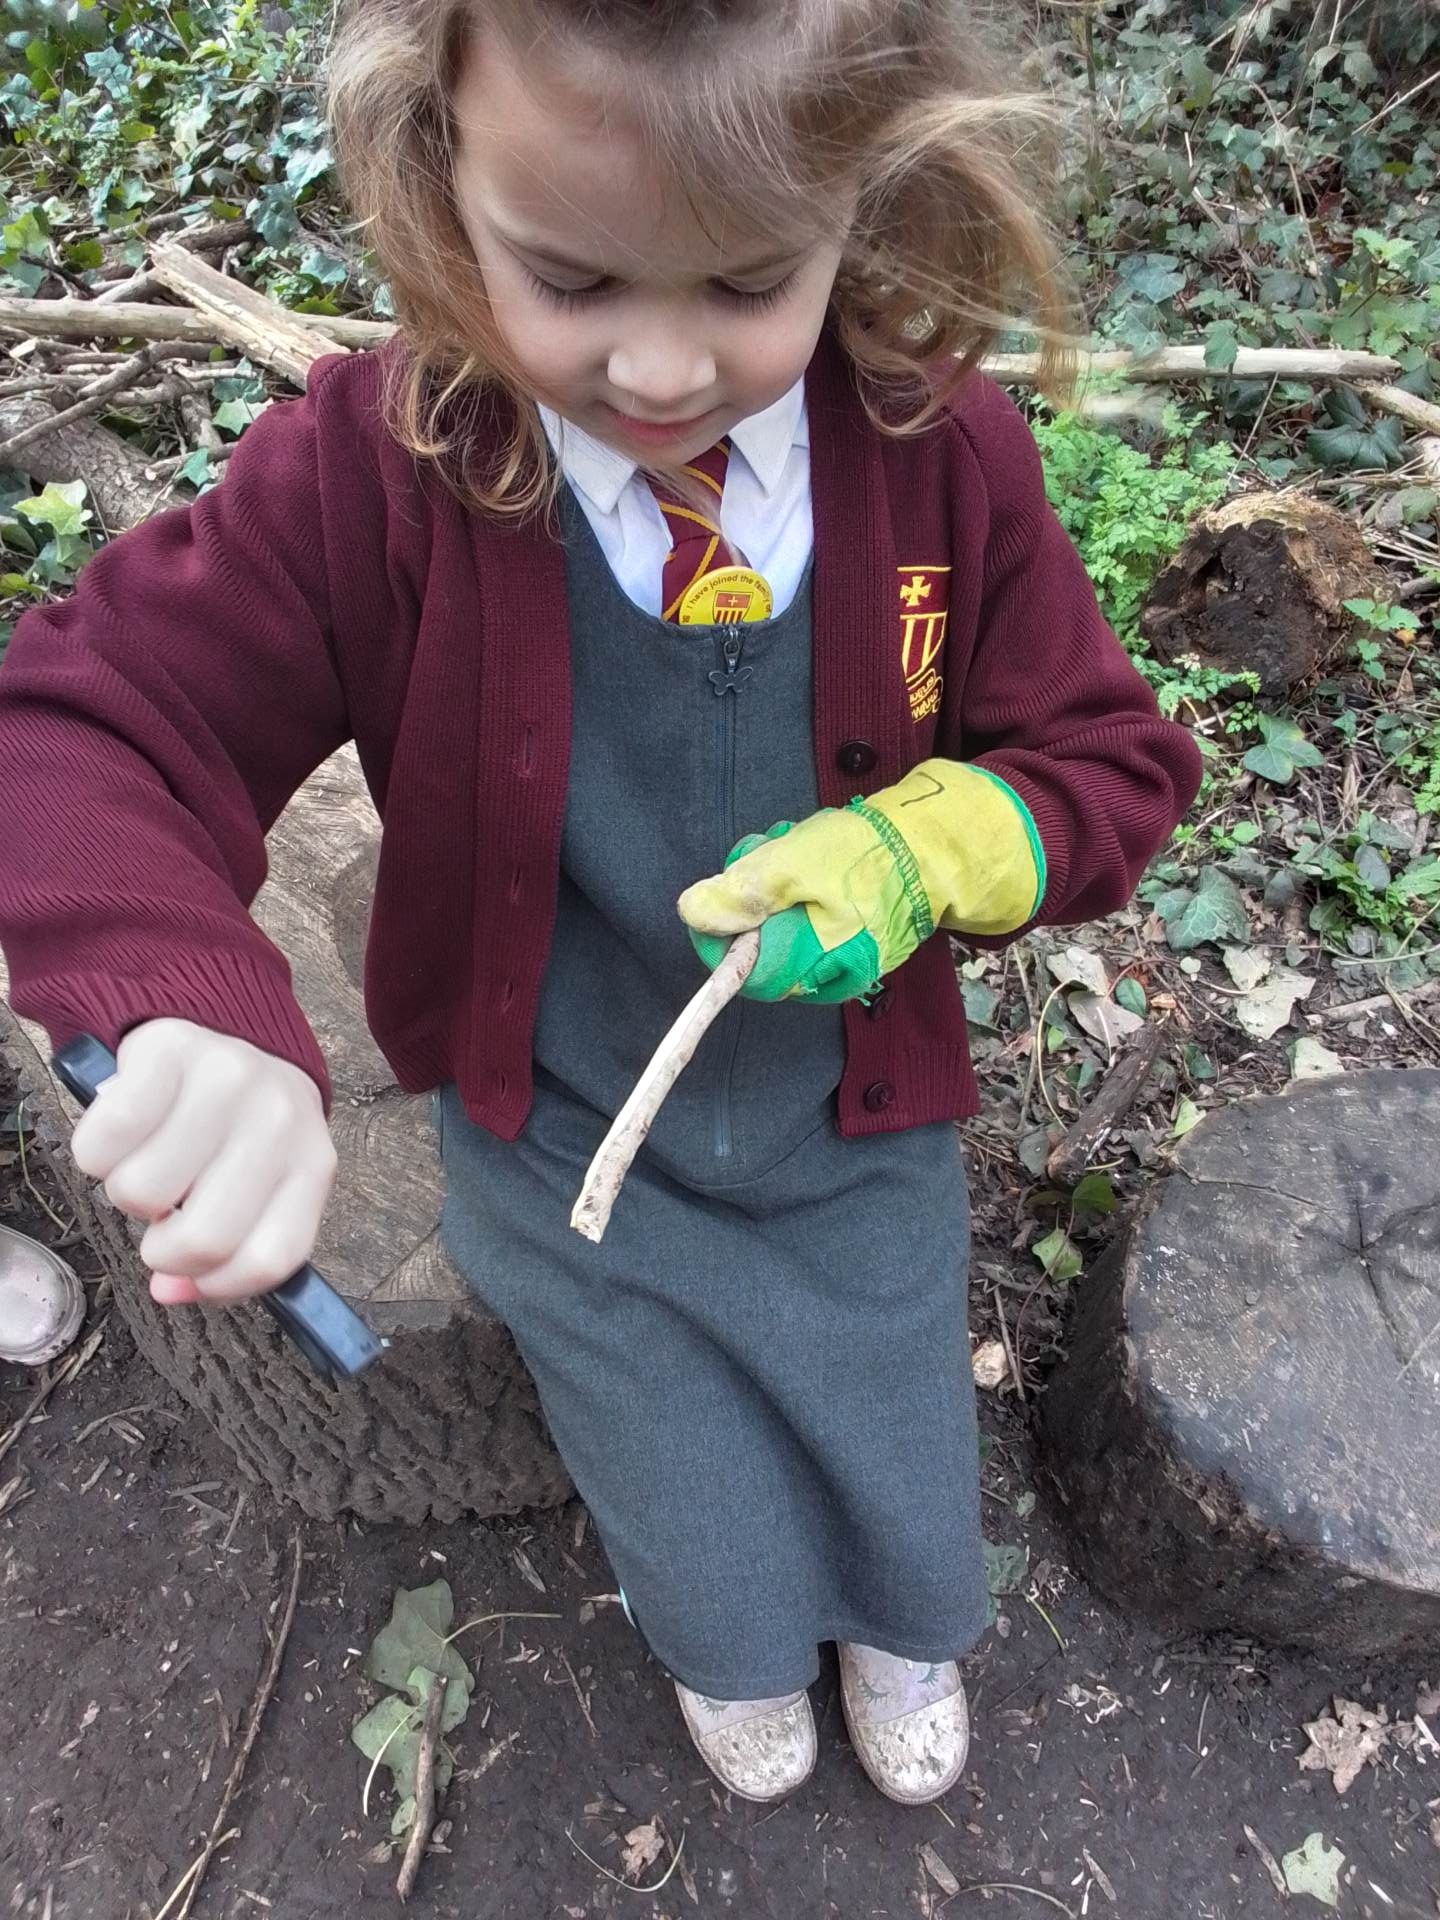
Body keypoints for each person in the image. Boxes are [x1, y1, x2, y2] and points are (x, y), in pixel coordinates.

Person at [0, 0, 1202, 1807]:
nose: (659, 368)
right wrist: (186, 992)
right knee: (675, 1470)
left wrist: (940, 843)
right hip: (566, 1130)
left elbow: (1111, 763)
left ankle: (897, 1622)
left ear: (865, 203)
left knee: (892, 1425)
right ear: (442, 184)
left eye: (748, 281)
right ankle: (730, 1639)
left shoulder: (937, 452)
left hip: (847, 1111)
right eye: (569, 279)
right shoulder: (382, 465)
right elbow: (83, 722)